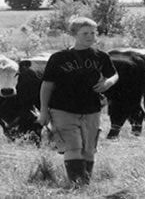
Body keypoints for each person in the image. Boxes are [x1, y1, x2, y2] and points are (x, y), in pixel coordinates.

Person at [37, 17, 118, 188]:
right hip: (63, 109)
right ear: (74, 34)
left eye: (93, 33)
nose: (90, 37)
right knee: (72, 147)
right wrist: (44, 111)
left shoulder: (101, 56)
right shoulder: (59, 58)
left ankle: (85, 186)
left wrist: (107, 83)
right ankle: (76, 186)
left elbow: (113, 74)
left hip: (92, 109)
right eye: (85, 33)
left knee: (89, 149)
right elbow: (47, 85)